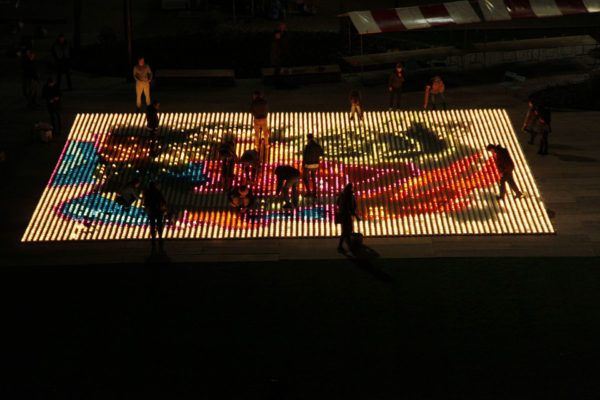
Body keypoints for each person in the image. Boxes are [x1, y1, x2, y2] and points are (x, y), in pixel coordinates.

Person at [336, 183, 360, 253]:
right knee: (347, 229)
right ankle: (340, 246)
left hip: (341, 213)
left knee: (347, 229)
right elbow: (350, 207)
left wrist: (341, 207)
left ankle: (349, 243)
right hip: (345, 214)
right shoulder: (348, 196)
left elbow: (337, 203)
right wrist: (356, 216)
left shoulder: (341, 194)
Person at [143, 180, 167, 245]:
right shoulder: (158, 192)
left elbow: (145, 203)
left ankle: (153, 239)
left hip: (151, 210)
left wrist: (148, 206)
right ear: (156, 185)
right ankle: (160, 238)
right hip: (158, 210)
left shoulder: (147, 192)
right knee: (159, 225)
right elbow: (164, 201)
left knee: (152, 225)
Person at [302, 134, 323, 198]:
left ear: (308, 139)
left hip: (309, 165)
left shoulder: (308, 146)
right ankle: (314, 193)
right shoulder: (318, 146)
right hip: (316, 164)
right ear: (313, 138)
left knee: (305, 178)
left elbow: (305, 156)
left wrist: (303, 165)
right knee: (313, 179)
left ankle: (309, 192)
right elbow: (321, 154)